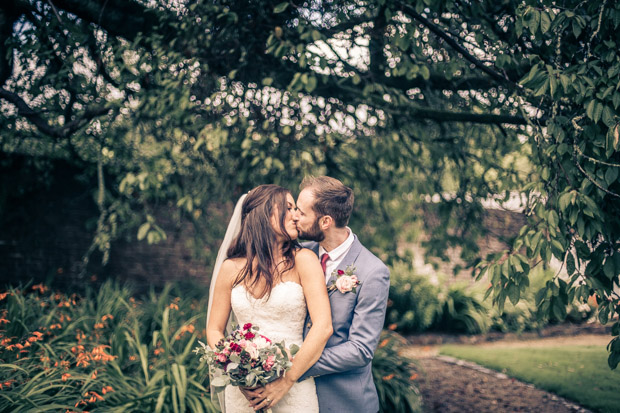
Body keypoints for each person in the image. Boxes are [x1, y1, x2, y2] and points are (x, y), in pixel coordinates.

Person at [246, 176, 390, 413]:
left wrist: (293, 367)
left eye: (300, 213)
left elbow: (360, 349)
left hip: (343, 401)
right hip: (293, 399)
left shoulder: (373, 272)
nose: (293, 217)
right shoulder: (297, 254)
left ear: (325, 221)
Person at [206, 184, 332, 413]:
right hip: (245, 394)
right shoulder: (230, 268)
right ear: (263, 214)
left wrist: (286, 381)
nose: (296, 215)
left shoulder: (304, 260)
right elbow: (214, 329)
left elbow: (323, 327)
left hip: (295, 388)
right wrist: (238, 374)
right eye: (288, 208)